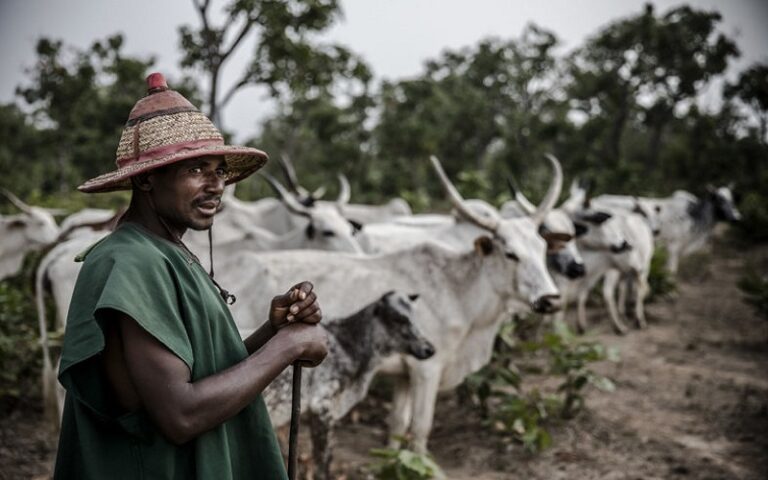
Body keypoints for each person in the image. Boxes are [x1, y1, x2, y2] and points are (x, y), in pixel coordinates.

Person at [53, 73, 328, 480]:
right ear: (146, 178)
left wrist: (272, 332)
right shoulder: (129, 262)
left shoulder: (167, 251)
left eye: (219, 171)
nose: (215, 185)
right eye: (197, 169)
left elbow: (196, 372)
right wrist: (286, 349)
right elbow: (180, 413)